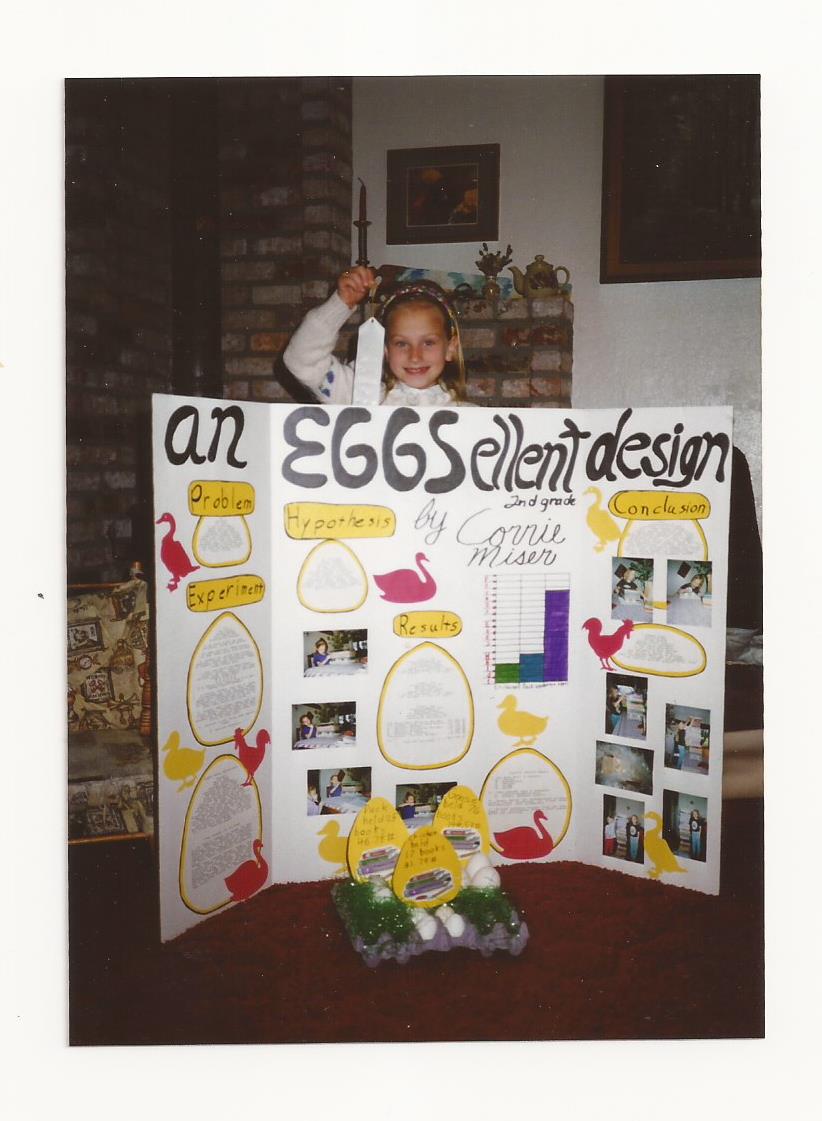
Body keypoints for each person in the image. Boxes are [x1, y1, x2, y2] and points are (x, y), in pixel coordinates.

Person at [283, 266, 471, 407]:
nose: (415, 356)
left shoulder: (470, 417)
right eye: (401, 343)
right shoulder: (359, 393)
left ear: (450, 348)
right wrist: (340, 303)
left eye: (428, 342)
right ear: (385, 350)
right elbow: (302, 361)